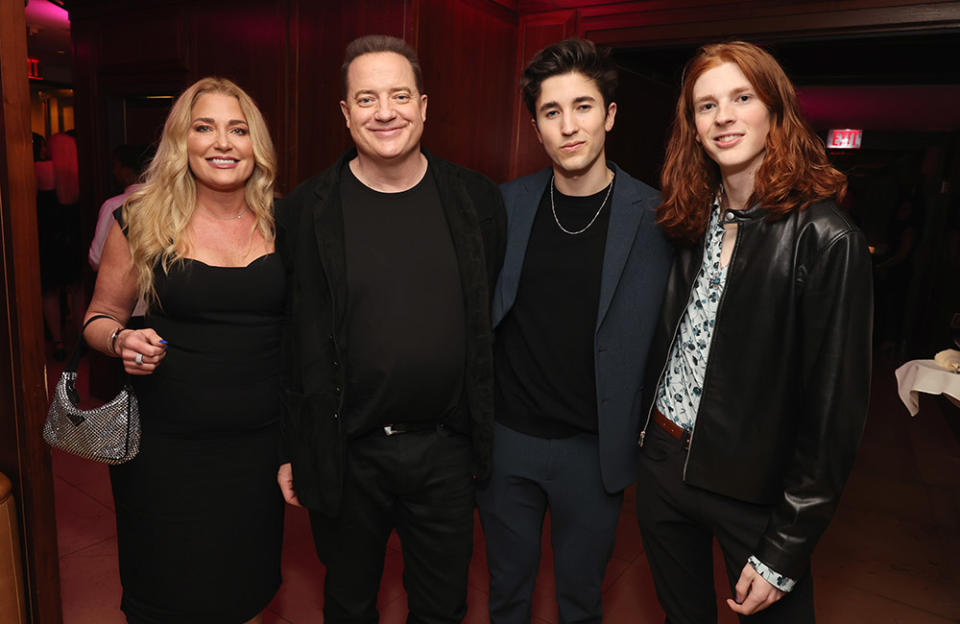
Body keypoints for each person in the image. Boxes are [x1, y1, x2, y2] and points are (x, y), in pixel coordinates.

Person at [635, 41, 872, 622]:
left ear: (775, 110)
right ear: (692, 125)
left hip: (755, 490)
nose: (723, 117)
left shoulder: (826, 237)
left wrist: (786, 548)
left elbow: (833, 413)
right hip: (664, 464)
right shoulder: (691, 216)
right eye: (706, 105)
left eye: (742, 97)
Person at [276, 34, 505, 624]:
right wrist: (289, 450)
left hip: (446, 451)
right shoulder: (305, 211)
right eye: (367, 98)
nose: (385, 112)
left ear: (424, 106)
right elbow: (289, 335)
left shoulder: (475, 200)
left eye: (400, 96)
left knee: (441, 606)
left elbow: (486, 320)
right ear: (346, 113)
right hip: (348, 452)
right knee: (349, 604)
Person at [475, 38, 671, 623]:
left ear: (609, 115)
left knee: (581, 599)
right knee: (506, 591)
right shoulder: (504, 206)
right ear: (536, 127)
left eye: (583, 107)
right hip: (507, 440)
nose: (569, 126)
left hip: (594, 449)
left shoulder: (657, 218)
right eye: (551, 112)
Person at [81, 77, 284, 624]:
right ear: (181, 141)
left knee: (245, 591)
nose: (223, 142)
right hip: (165, 452)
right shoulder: (141, 218)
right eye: (205, 127)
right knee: (169, 597)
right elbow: (98, 319)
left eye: (238, 129)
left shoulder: (284, 224)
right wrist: (122, 339)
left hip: (257, 452)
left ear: (255, 144)